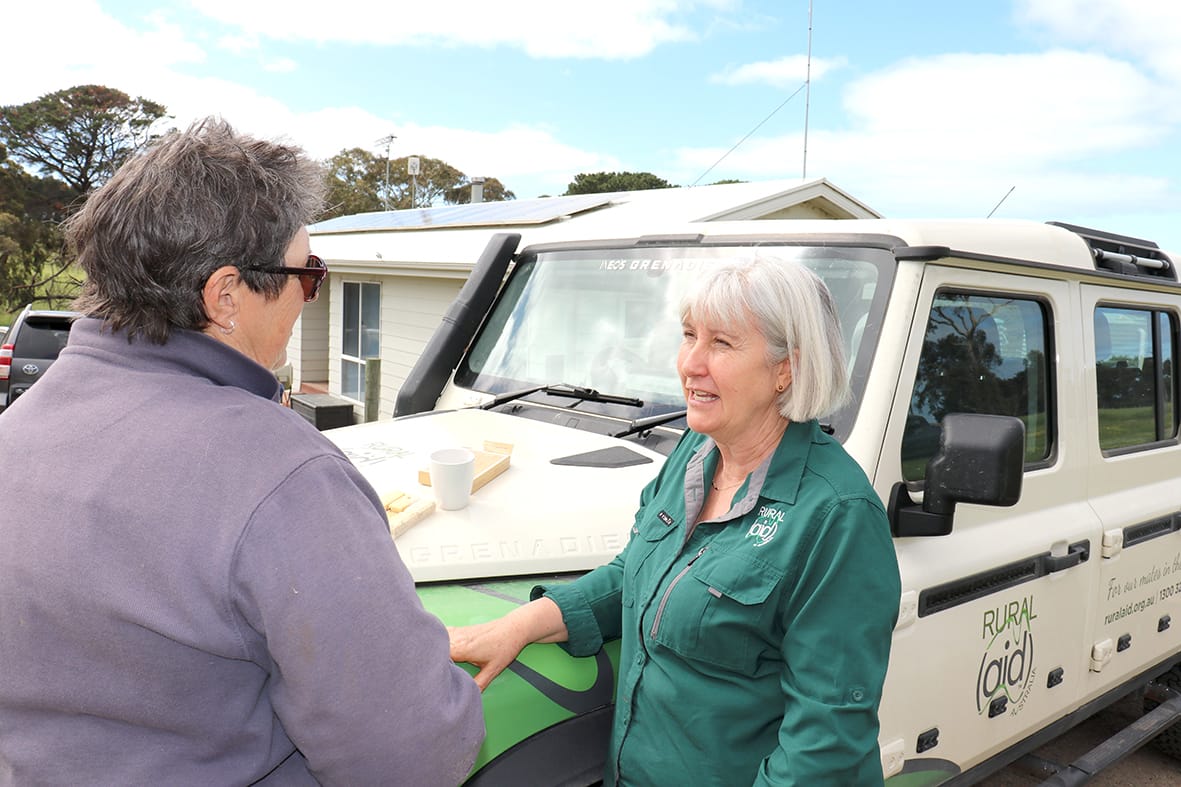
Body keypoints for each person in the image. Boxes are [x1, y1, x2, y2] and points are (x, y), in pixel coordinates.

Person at [0, 119, 484, 785]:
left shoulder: (18, 429)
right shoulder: (283, 472)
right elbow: (410, 754)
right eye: (306, 274)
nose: (308, 297)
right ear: (225, 295)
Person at [449, 257, 901, 785]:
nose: (690, 363)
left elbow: (826, 749)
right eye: (689, 335)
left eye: (722, 344)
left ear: (787, 369)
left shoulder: (837, 517)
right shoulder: (695, 452)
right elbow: (635, 577)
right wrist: (518, 626)